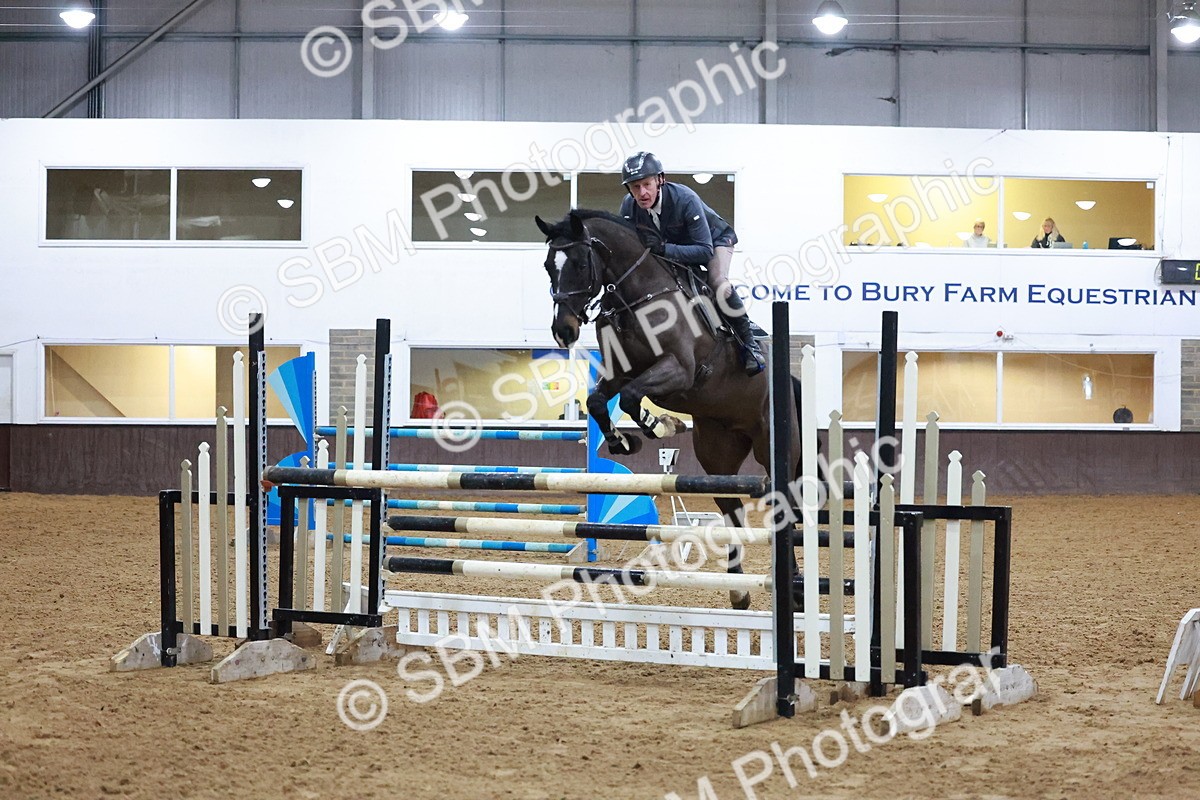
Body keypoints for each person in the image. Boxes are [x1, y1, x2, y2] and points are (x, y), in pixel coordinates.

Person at [618, 151, 765, 376]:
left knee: (717, 282)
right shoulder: (629, 207)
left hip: (714, 241)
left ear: (660, 180)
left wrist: (664, 249)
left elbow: (704, 252)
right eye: (635, 187)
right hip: (675, 246)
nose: (642, 193)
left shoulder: (684, 198)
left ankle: (750, 345)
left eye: (646, 184)